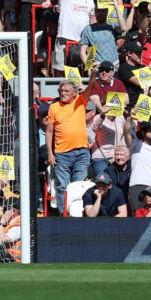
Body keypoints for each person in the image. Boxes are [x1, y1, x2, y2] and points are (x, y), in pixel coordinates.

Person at [46, 77, 91, 212]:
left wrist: (93, 74)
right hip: (62, 153)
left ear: (74, 92)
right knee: (62, 187)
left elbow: (91, 87)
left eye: (66, 90)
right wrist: (50, 153)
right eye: (61, 90)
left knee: (79, 186)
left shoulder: (80, 101)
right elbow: (49, 132)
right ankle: (63, 215)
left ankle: (77, 214)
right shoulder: (54, 107)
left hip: (82, 152)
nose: (63, 93)